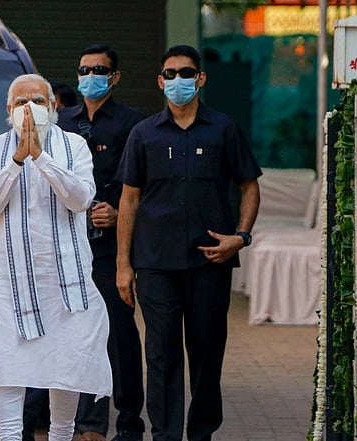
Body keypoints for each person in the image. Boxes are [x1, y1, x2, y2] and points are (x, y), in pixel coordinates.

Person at [0, 45, 147, 441]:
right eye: (21, 101)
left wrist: (42, 159)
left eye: (37, 100)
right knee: (9, 363)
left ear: (53, 105)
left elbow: (82, 198)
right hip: (7, 280)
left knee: (66, 362)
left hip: (64, 280)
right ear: (8, 107)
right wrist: (17, 160)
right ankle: (12, 435)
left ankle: (63, 434)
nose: (29, 107)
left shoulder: (73, 146)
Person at [116, 45, 261, 441]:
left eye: (186, 73)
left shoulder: (223, 129)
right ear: (160, 81)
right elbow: (128, 200)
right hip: (155, 262)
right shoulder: (143, 133)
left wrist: (241, 236)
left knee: (206, 355)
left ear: (201, 78)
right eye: (170, 73)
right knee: (160, 355)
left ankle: (201, 433)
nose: (178, 80)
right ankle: (165, 435)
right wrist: (123, 265)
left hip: (210, 261)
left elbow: (249, 186)